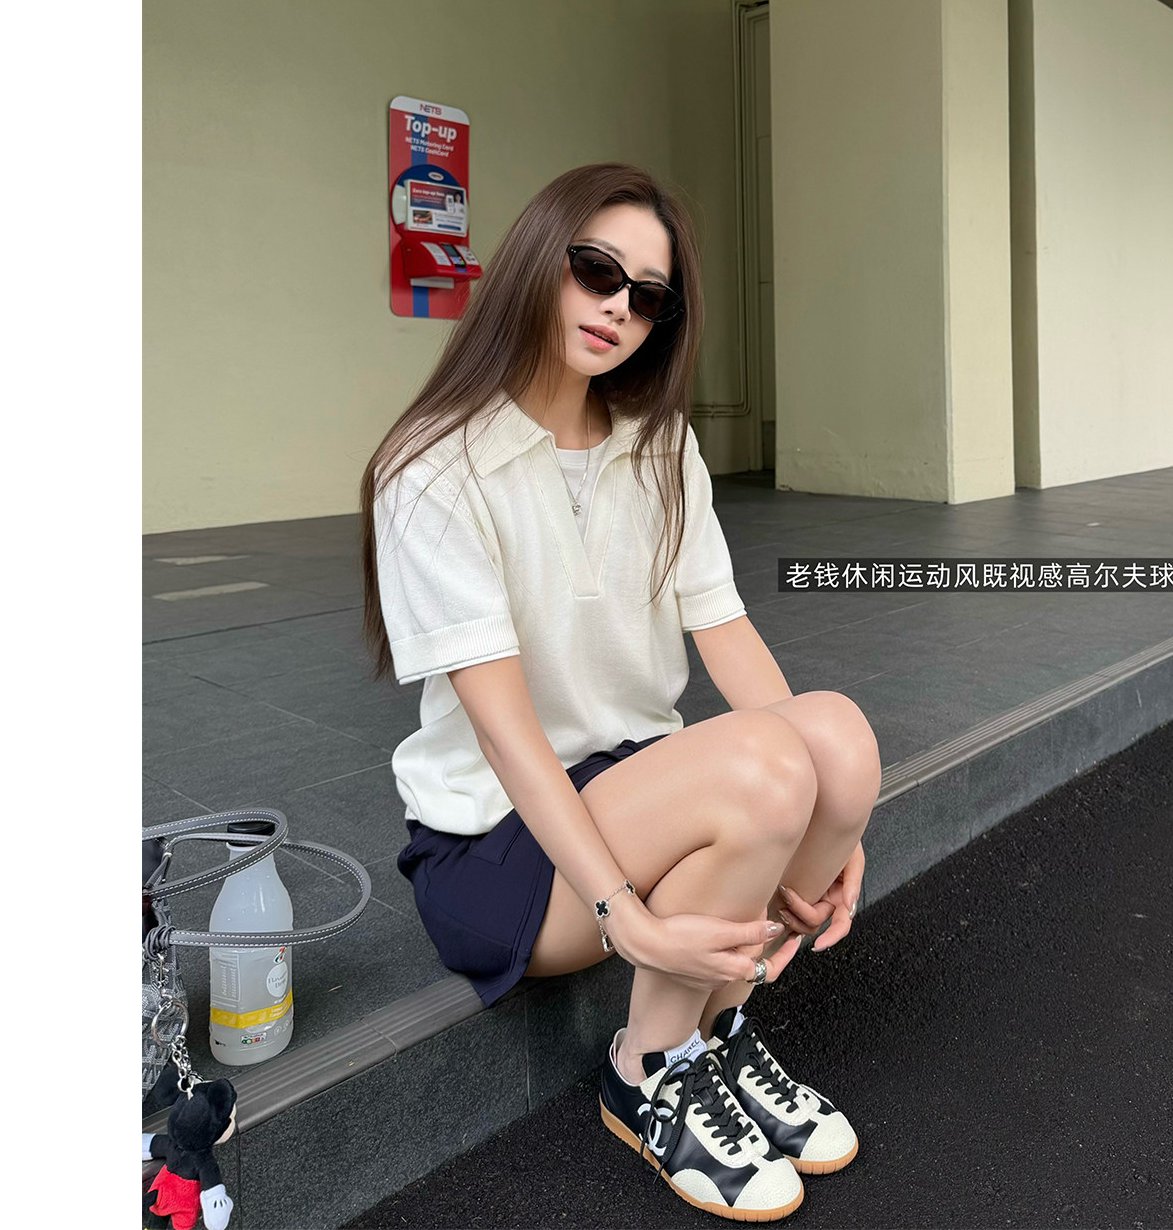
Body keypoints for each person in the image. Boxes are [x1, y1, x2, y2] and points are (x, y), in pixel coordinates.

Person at [359, 162, 883, 1220]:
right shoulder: (432, 465)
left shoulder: (660, 445)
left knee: (837, 736)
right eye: (596, 270)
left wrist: (836, 818)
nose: (617, 308)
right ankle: (649, 1069)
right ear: (536, 259)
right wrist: (623, 917)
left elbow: (727, 632)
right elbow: (507, 734)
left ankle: (715, 1033)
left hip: (627, 787)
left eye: (649, 296)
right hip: (499, 846)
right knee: (764, 766)